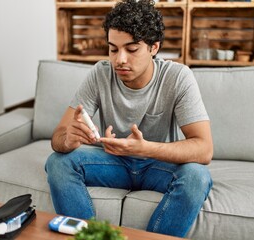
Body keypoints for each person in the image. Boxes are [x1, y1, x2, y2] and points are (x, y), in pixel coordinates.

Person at [45, 0, 213, 237]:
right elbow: (58, 137)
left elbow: (204, 149)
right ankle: (89, 236)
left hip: (157, 166)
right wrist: (68, 140)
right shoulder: (100, 73)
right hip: (114, 163)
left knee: (197, 177)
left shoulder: (178, 77)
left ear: (154, 48)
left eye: (131, 49)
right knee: (58, 162)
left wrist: (145, 149)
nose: (119, 60)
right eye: (113, 49)